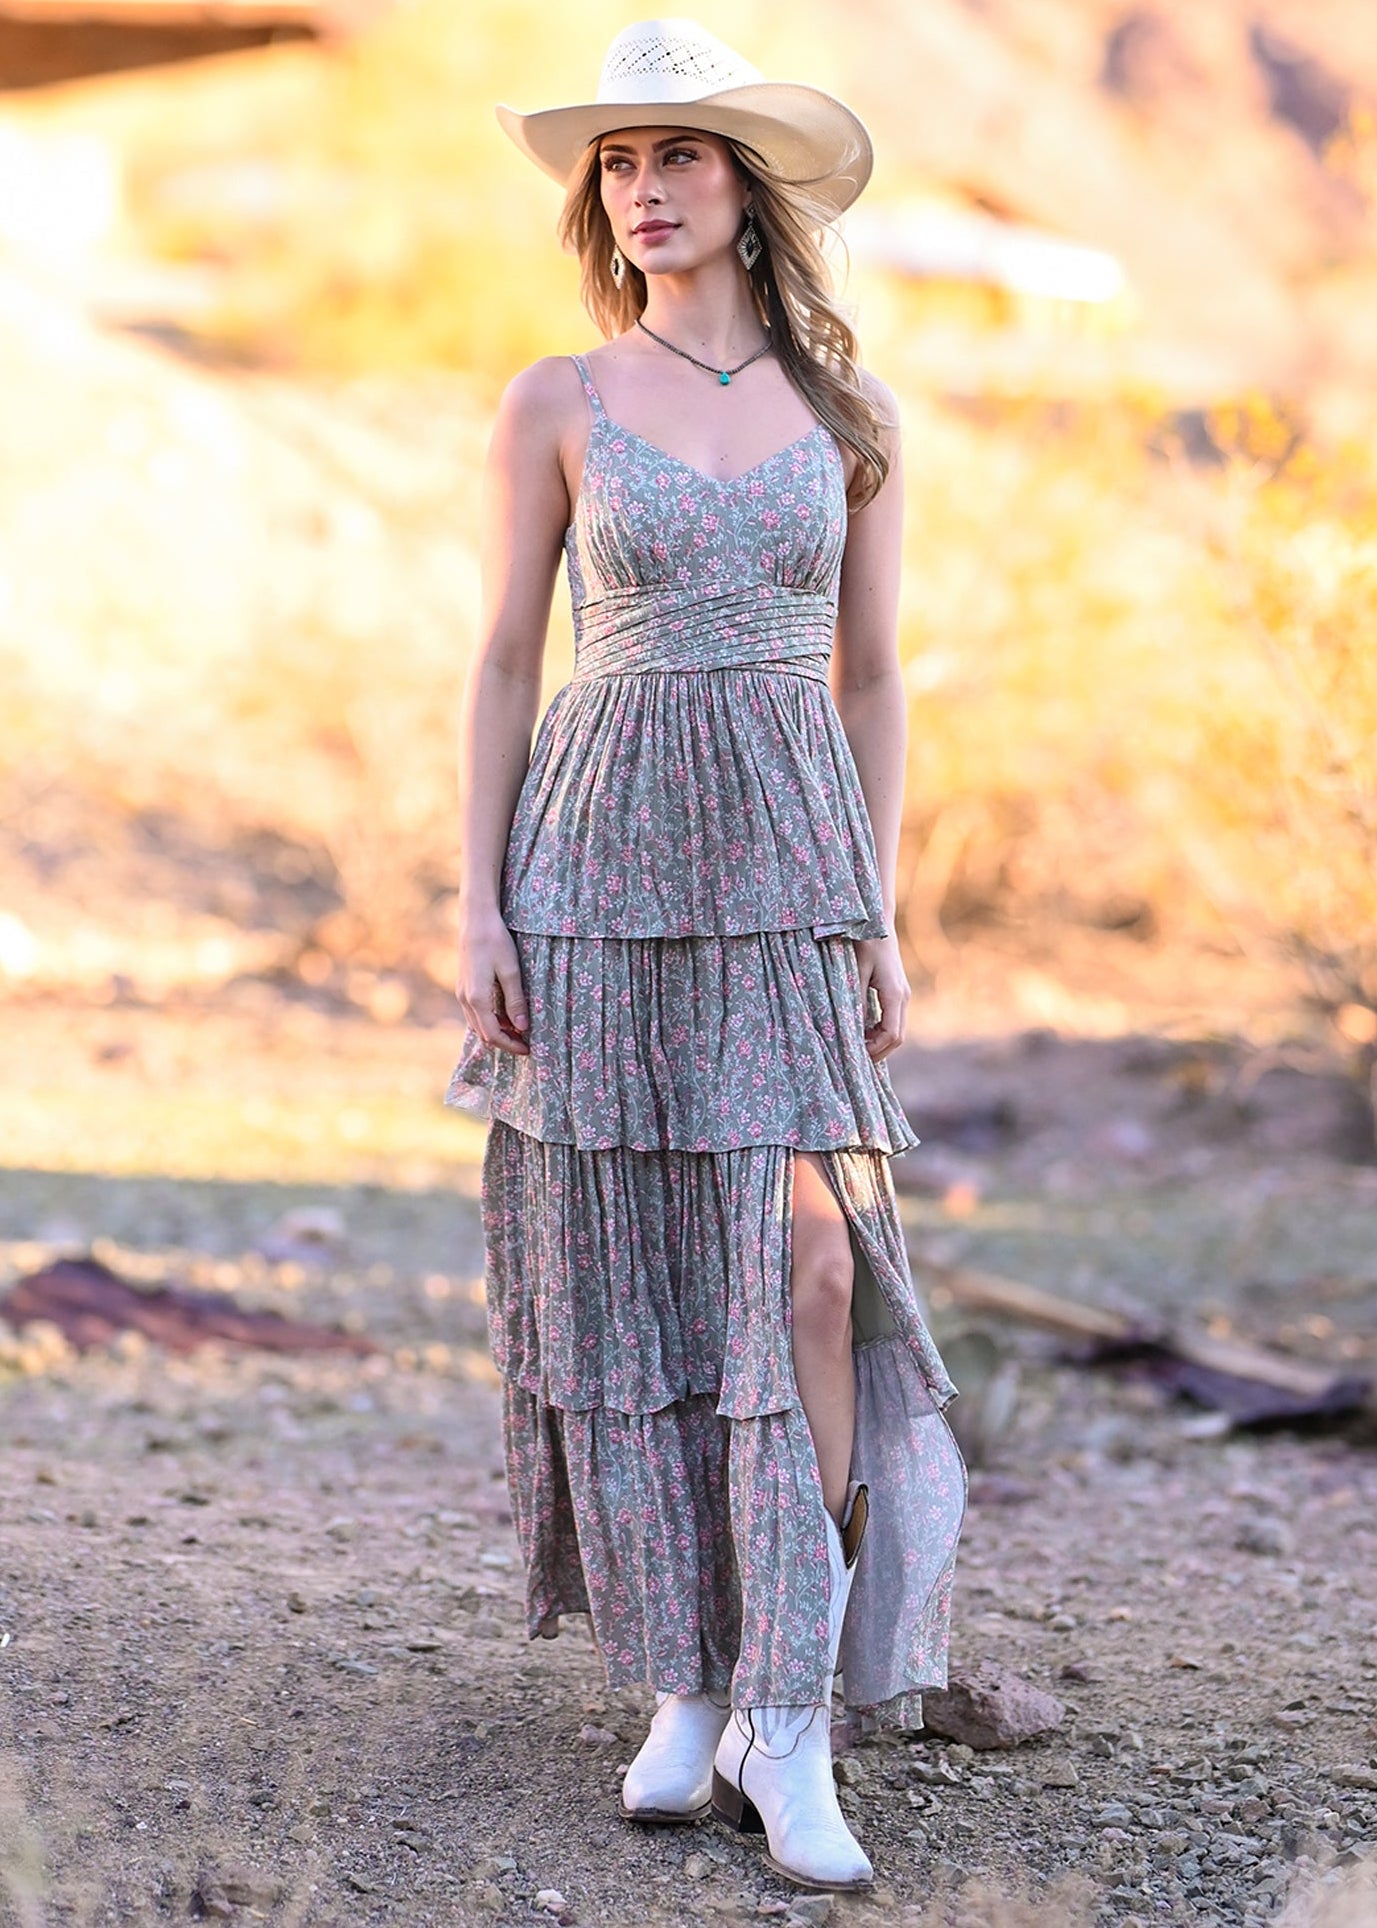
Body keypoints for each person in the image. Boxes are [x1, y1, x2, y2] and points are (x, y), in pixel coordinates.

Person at [448, 16, 967, 1894]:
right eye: (615, 162)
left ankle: (791, 1700)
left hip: (784, 868)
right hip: (589, 867)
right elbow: (507, 657)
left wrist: (879, 908)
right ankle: (681, 1680)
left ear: (747, 184)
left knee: (812, 1267)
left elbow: (877, 675)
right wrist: (473, 900)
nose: (642, 187)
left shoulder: (851, 416)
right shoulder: (557, 398)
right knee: (627, 1280)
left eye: (676, 153)